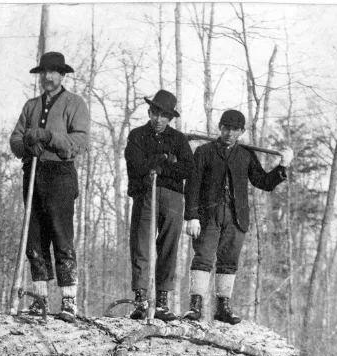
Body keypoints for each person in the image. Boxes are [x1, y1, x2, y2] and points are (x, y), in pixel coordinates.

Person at [183, 109, 293, 324]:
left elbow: (263, 182)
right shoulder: (204, 152)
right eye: (225, 128)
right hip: (208, 216)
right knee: (203, 257)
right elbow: (193, 186)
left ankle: (222, 308)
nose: (229, 133)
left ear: (242, 131)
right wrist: (192, 216)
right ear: (219, 128)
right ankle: (195, 307)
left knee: (229, 261)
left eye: (234, 129)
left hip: (236, 217)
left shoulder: (245, 155)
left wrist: (283, 165)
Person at [9, 52, 90, 317]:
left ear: (62, 75)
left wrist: (50, 137)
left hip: (60, 175)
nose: (48, 76)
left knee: (61, 234)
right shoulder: (30, 106)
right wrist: (27, 145)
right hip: (33, 172)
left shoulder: (74, 103)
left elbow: (79, 142)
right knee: (35, 236)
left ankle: (68, 300)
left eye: (53, 72)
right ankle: (40, 298)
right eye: (44, 72)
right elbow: (15, 140)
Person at [123, 90, 194, 321]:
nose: (159, 120)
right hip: (145, 194)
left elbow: (186, 168)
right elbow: (135, 164)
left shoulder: (179, 139)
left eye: (164, 116)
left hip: (172, 197)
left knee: (168, 247)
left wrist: (163, 166)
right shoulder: (137, 136)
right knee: (141, 245)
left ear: (170, 118)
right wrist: (156, 163)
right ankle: (141, 300)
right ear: (149, 112)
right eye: (155, 113)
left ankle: (161, 302)